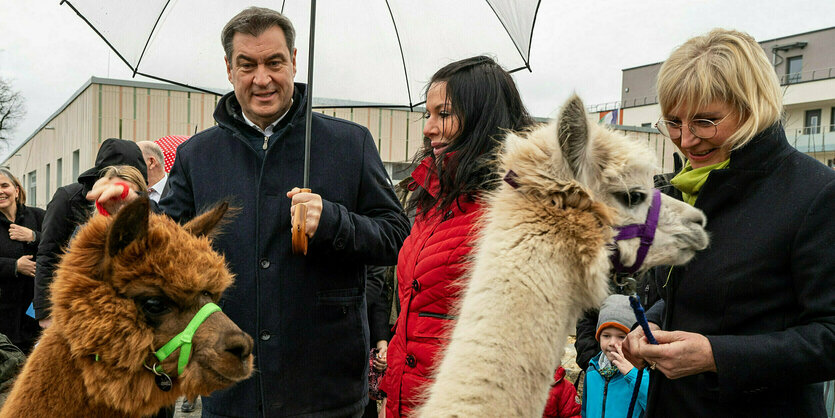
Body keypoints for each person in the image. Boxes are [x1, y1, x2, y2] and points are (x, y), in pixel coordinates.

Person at [84, 7, 412, 417]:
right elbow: (163, 249)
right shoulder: (196, 157)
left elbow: (398, 236)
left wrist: (333, 221)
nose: (262, 78)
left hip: (325, 389)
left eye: (274, 62)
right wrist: (132, 215)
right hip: (233, 387)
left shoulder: (350, 144)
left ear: (294, 60)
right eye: (247, 65)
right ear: (228, 69)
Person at [623, 28, 835, 417]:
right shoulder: (683, 188)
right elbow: (686, 297)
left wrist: (716, 355)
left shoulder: (817, 194)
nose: (685, 141)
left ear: (753, 108)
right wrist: (651, 326)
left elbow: (830, 336)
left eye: (705, 122)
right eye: (672, 122)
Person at [379, 55, 534, 417]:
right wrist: (392, 389)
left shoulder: (515, 201)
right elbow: (412, 315)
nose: (429, 128)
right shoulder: (431, 195)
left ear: (481, 118)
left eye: (443, 115)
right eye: (427, 115)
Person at [33, 138, 148, 327]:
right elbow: (48, 254)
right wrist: (45, 311)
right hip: (83, 309)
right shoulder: (69, 199)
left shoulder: (148, 210)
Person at [0, 169, 45, 354]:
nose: (1, 191)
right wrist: (15, 266)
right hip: (4, 314)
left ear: (16, 190)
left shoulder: (38, 216)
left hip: (36, 310)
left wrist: (33, 236)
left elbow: (62, 246)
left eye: (5, 186)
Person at [582, 294, 648, 418]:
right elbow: (585, 411)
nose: (612, 343)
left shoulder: (642, 372)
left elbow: (652, 404)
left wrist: (632, 374)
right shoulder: (592, 370)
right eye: (606, 336)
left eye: (621, 337)